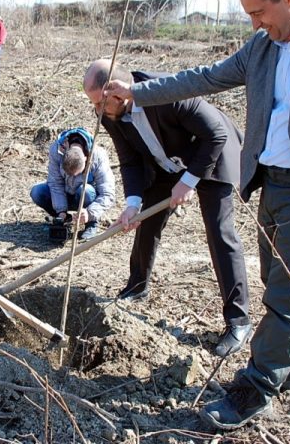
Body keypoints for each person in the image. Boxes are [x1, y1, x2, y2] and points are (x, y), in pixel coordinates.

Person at [104, 0, 290, 430]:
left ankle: (253, 389)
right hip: (268, 183)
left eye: (260, 12)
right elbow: (205, 77)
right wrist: (138, 92)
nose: (255, 23)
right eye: (250, 14)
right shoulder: (262, 47)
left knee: (283, 296)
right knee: (289, 284)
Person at [84, 59, 252, 358]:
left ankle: (238, 321)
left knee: (219, 232)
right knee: (148, 222)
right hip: (166, 164)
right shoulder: (110, 113)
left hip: (211, 156)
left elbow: (216, 134)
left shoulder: (168, 92)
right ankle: (137, 286)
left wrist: (189, 181)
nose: (97, 111)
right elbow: (130, 159)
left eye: (99, 103)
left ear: (119, 94)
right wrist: (133, 202)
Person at [30, 127, 116, 241]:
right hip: (64, 193)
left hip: (85, 198)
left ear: (86, 159)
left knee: (85, 190)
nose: (73, 177)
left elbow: (108, 194)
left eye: (77, 174)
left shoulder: (98, 156)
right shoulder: (57, 150)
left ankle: (91, 224)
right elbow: (55, 183)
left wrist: (90, 213)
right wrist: (61, 212)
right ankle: (61, 219)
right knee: (37, 192)